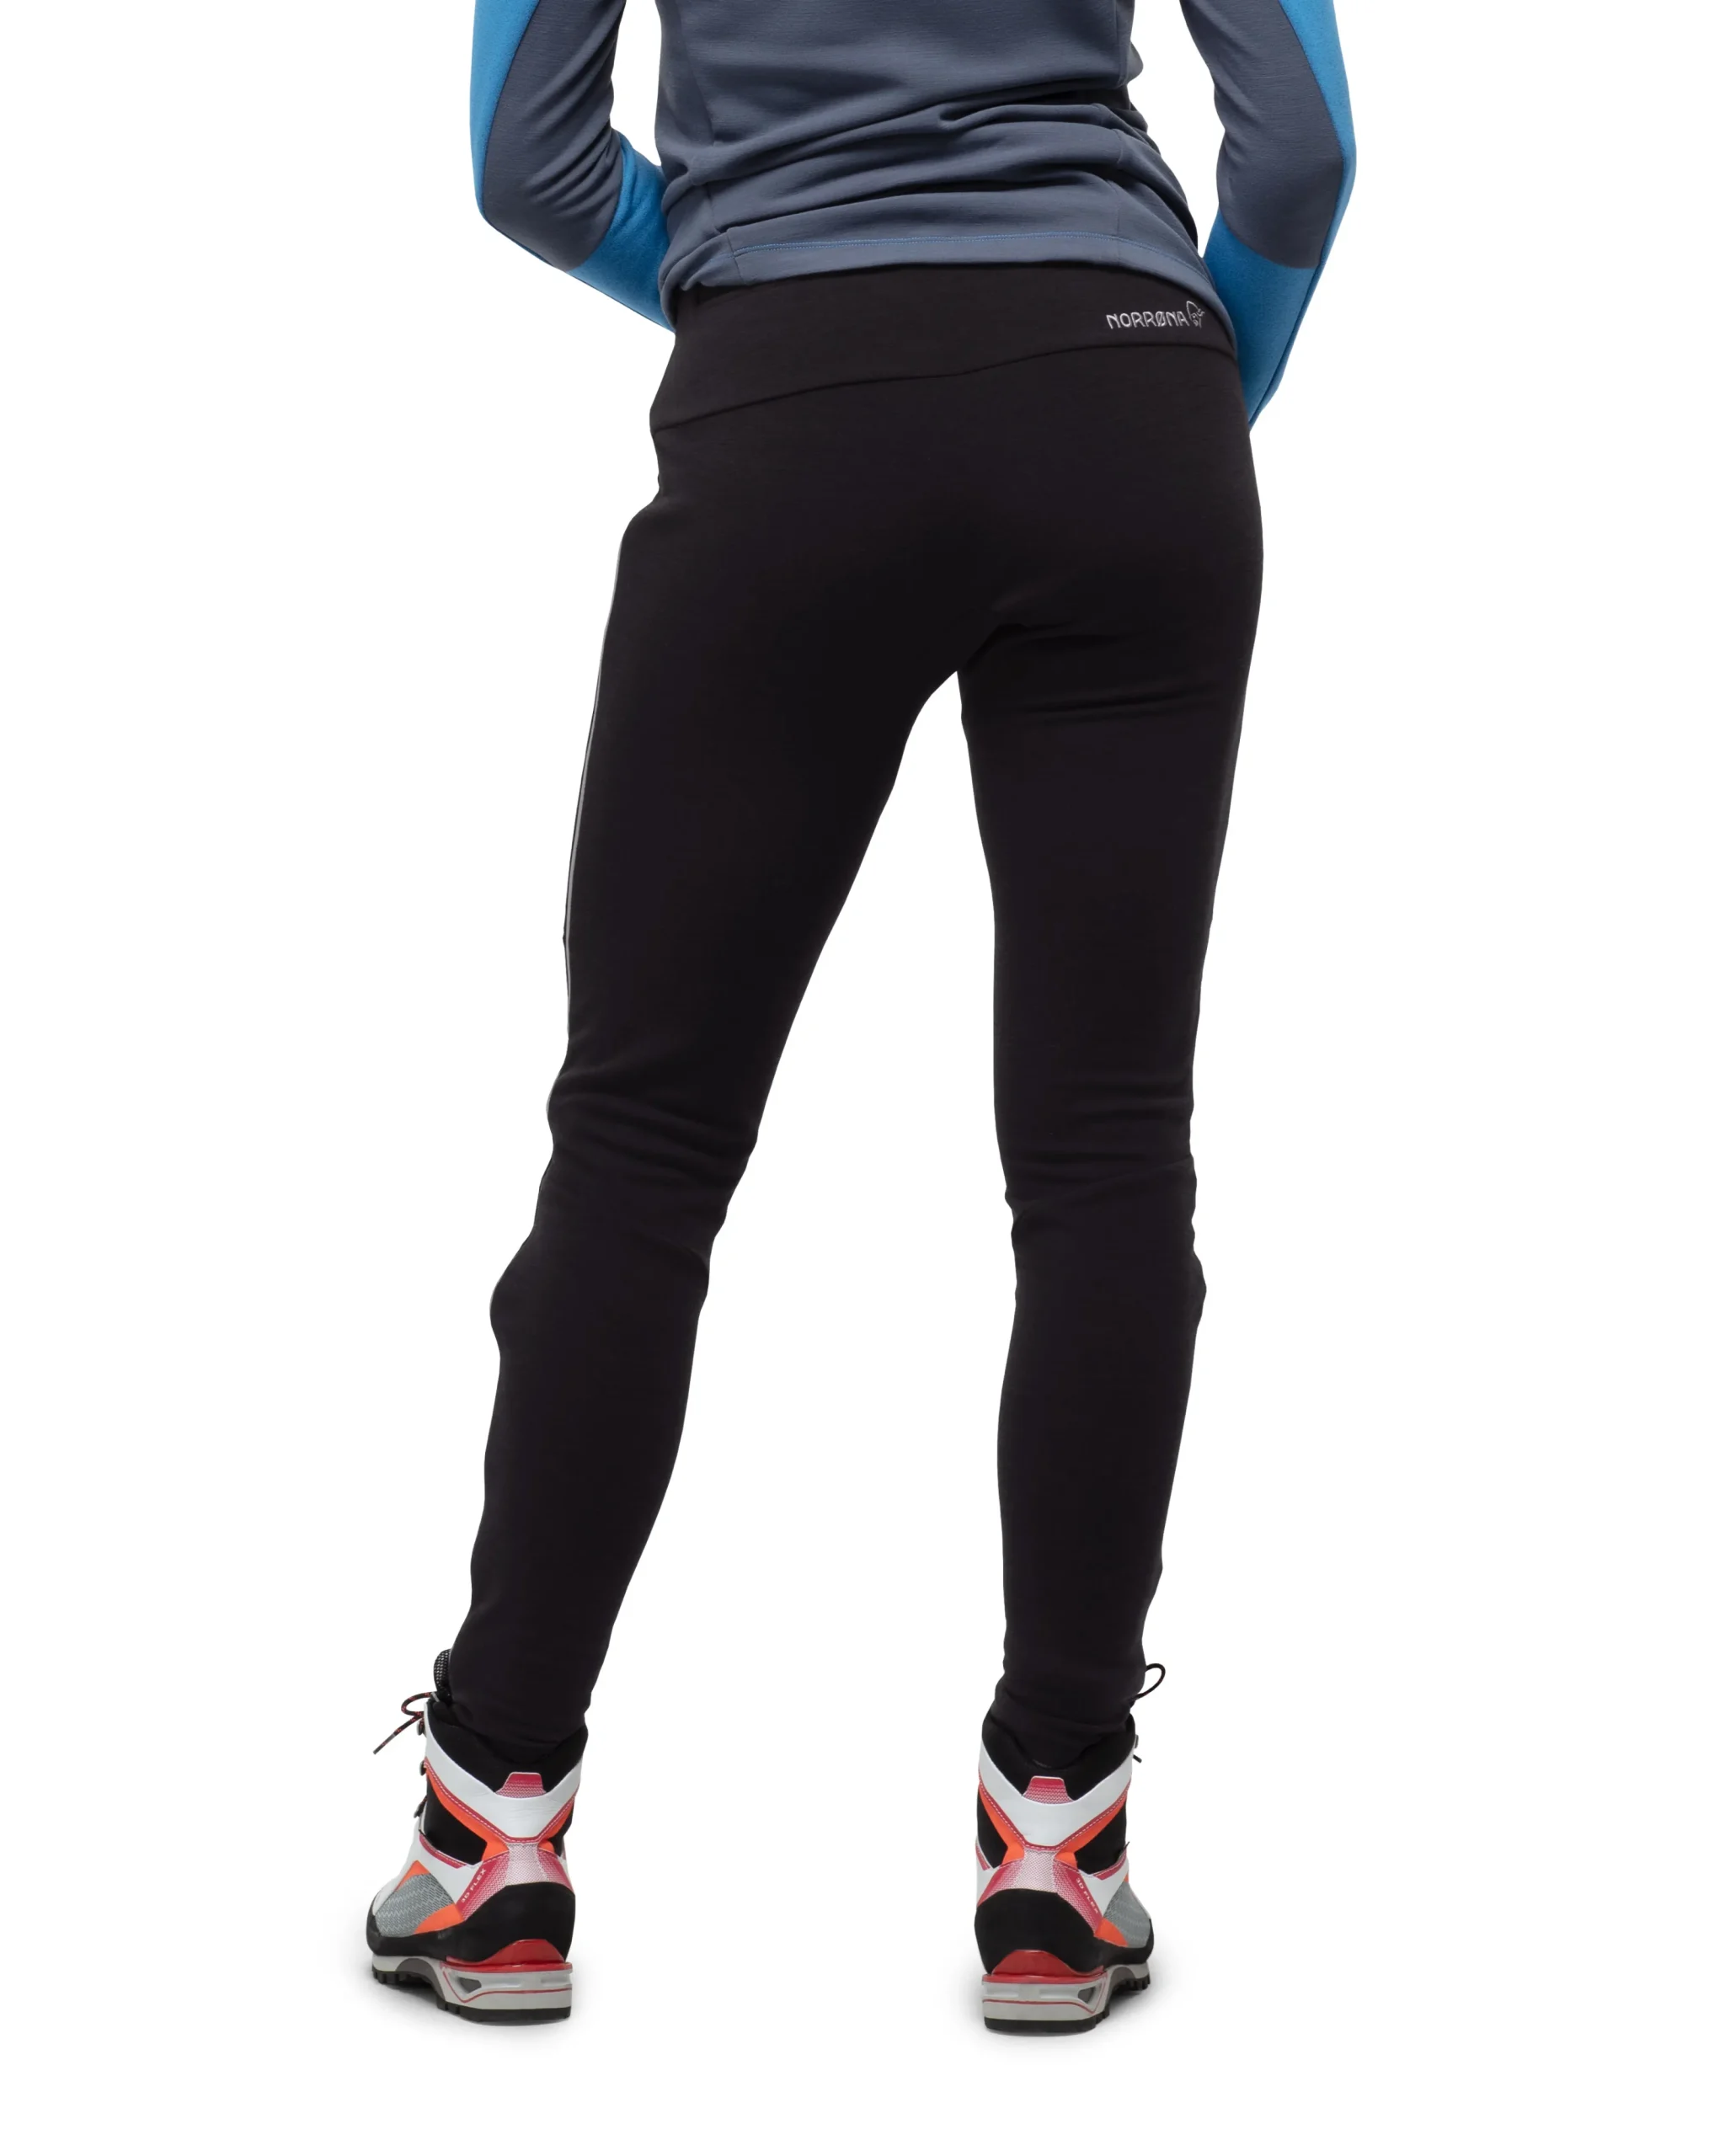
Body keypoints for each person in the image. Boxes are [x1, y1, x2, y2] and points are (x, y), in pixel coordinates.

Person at [366, 0, 1353, 2031]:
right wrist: (1188, 367)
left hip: (794, 404)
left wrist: (776, 282)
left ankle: (493, 1834)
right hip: (1131, 397)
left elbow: (527, 164)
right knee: (1105, 1156)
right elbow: (1301, 147)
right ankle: (1059, 1844)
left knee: (642, 1145)